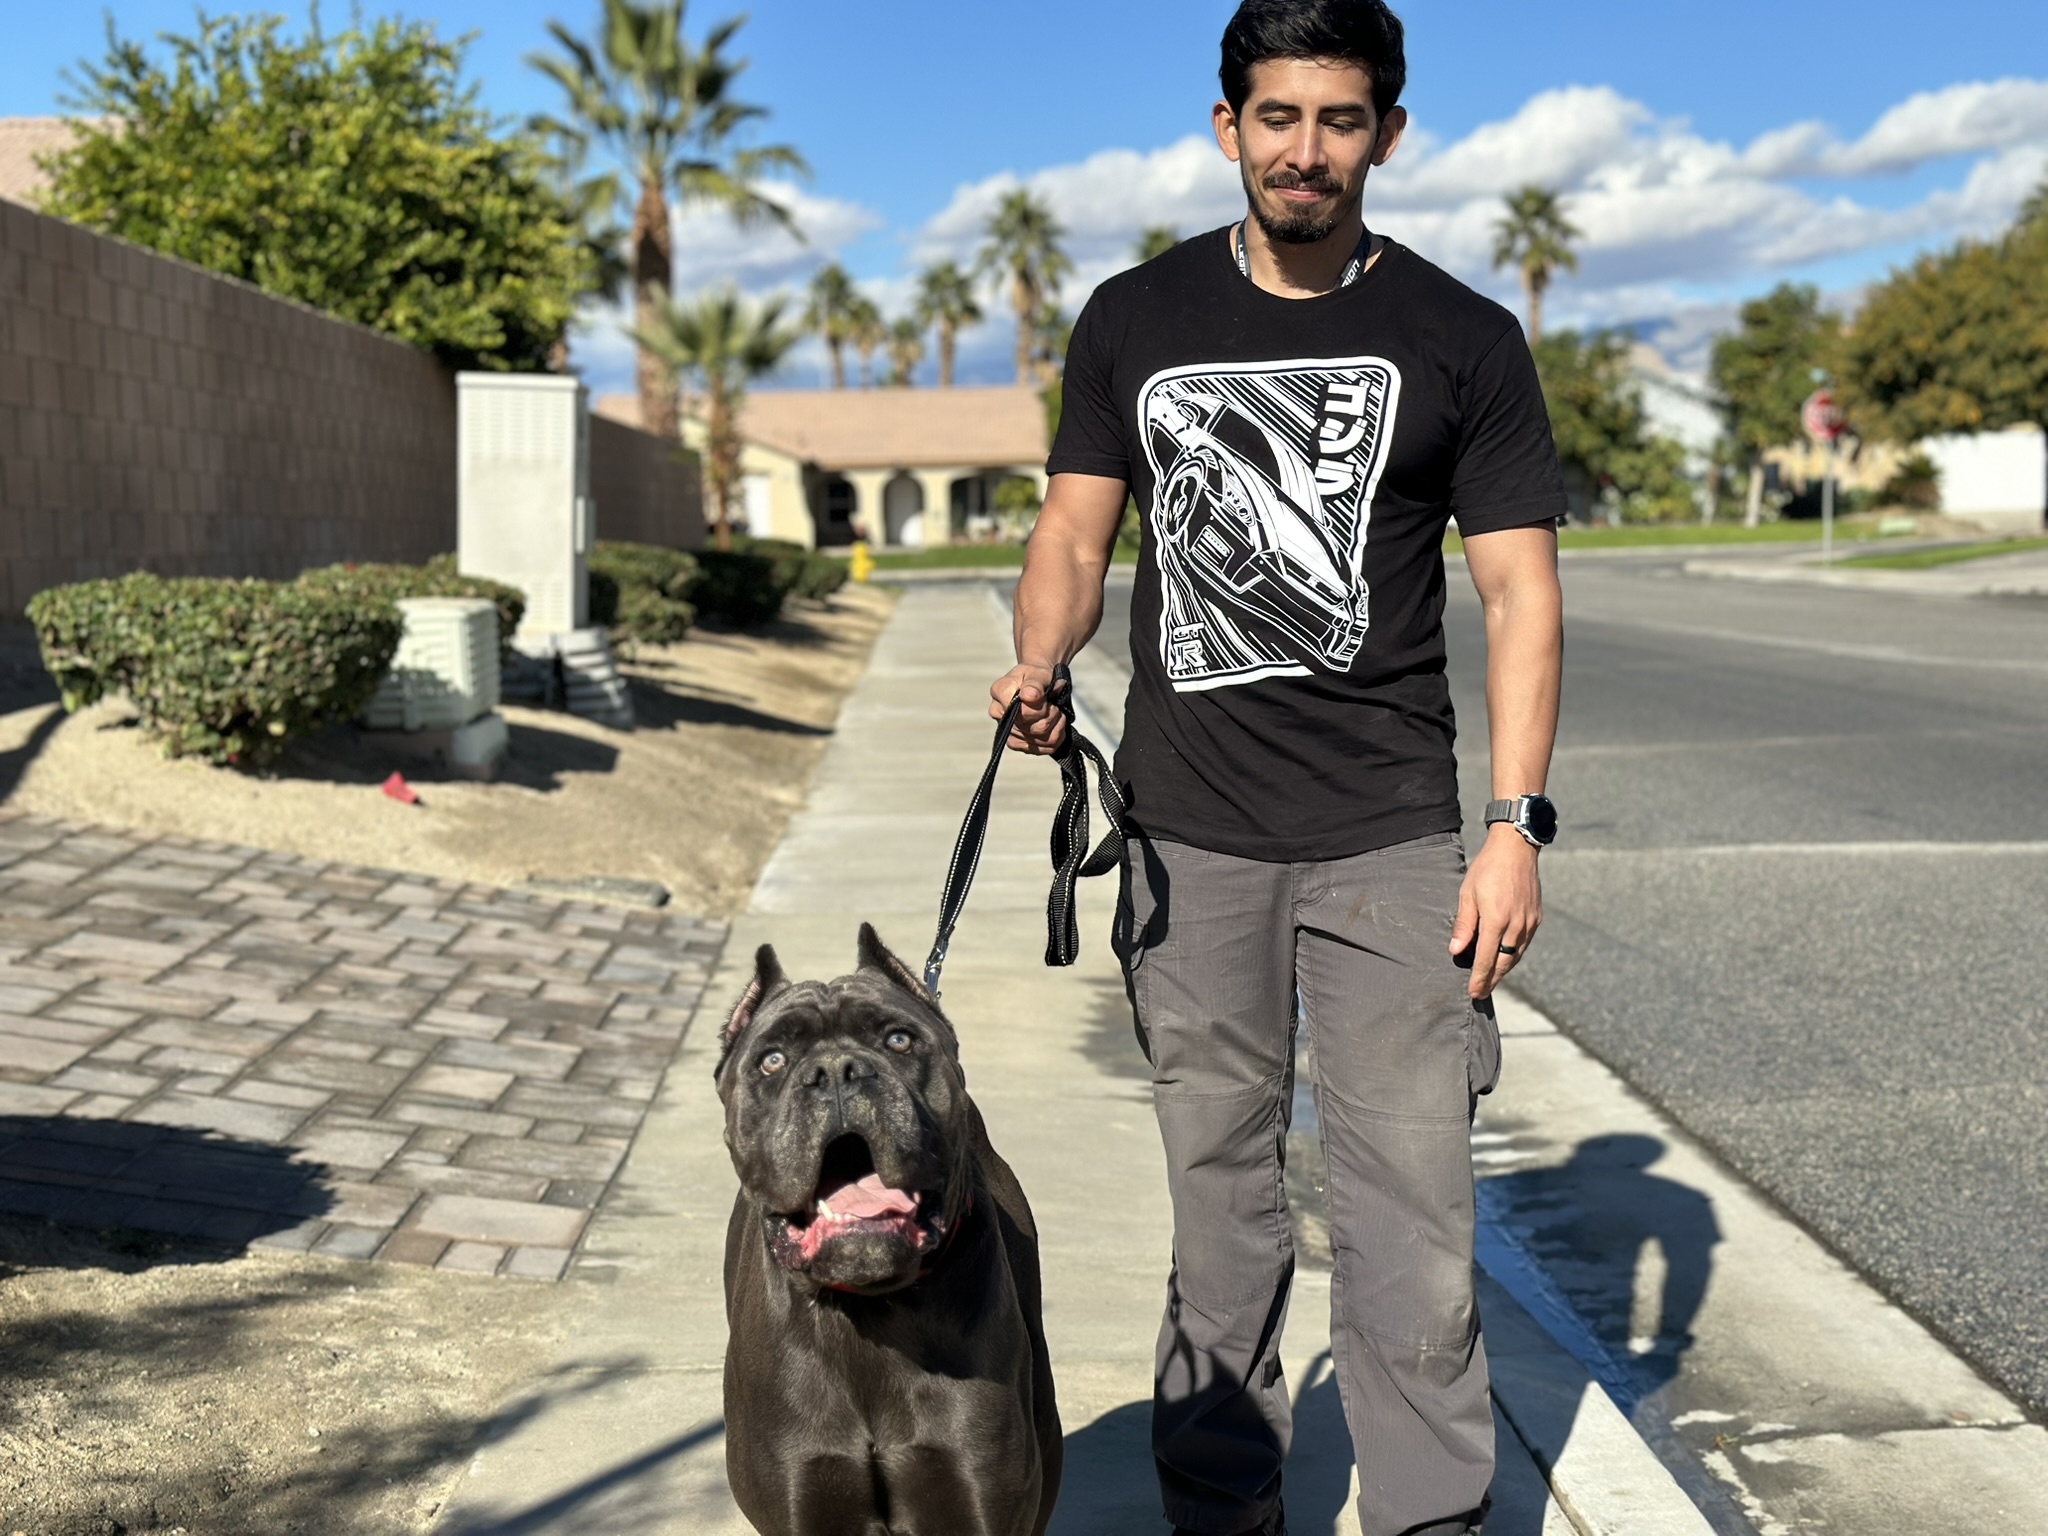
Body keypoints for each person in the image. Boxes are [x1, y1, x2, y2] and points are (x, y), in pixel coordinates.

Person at [987, 3, 1566, 1533]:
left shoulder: (1463, 338)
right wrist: (1041, 668)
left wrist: (1512, 826)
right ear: (1226, 124)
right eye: (1280, 115)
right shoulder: (1132, 317)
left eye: (1341, 118)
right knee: (1222, 1210)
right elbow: (1071, 531)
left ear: (1387, 132)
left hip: (1389, 840)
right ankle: (1225, 1511)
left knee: (1415, 1222)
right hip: (1191, 838)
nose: (1308, 149)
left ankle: (1431, 1516)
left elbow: (1519, 591)